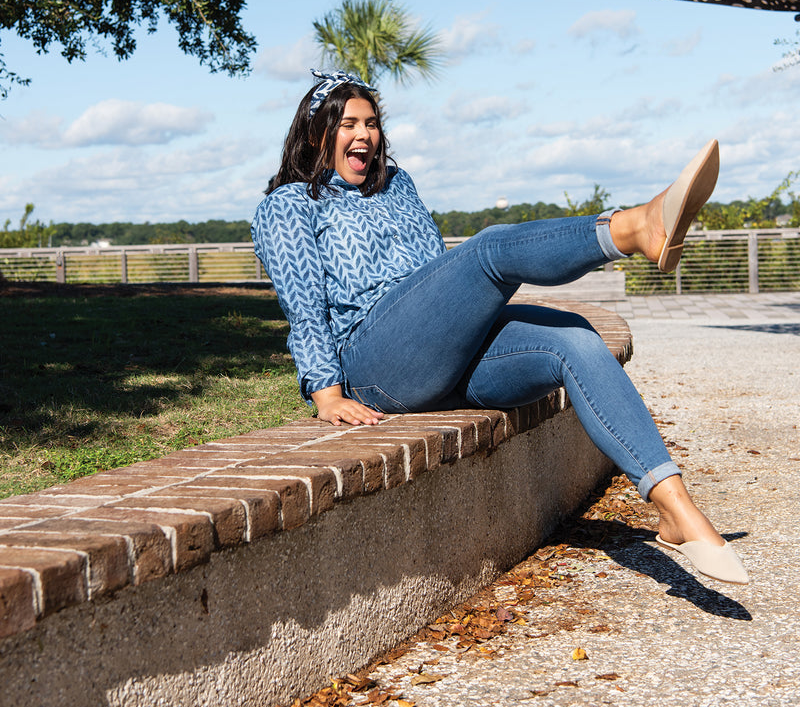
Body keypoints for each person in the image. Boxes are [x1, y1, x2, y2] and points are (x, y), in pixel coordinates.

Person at [251, 69, 749, 586]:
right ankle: (632, 227)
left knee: (574, 339)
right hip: (376, 362)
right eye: (347, 123)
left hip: (441, 350)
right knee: (489, 249)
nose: (364, 135)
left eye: (371, 123)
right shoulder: (287, 206)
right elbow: (304, 307)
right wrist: (326, 394)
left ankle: (675, 507)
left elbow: (433, 270)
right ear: (316, 135)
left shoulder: (398, 187)